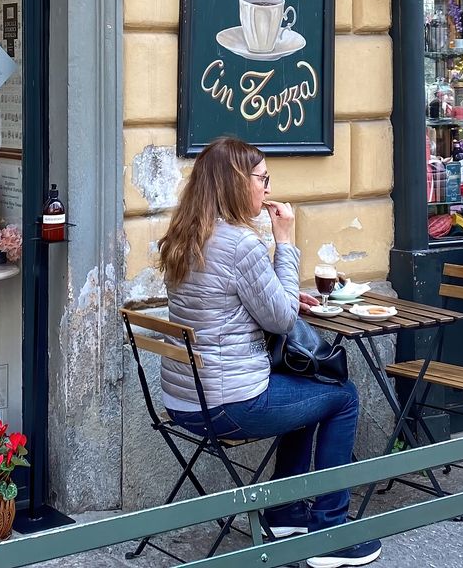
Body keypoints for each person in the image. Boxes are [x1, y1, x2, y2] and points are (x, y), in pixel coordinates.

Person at [157, 136, 381, 568]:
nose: (268, 189)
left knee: (305, 391)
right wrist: (285, 240)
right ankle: (329, 533)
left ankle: (285, 513)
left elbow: (229, 302)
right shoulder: (240, 244)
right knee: (342, 397)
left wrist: (283, 294)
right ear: (237, 183)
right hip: (228, 404)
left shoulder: (184, 235)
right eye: (263, 179)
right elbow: (278, 321)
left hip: (183, 401)